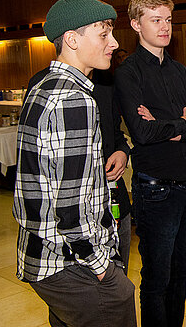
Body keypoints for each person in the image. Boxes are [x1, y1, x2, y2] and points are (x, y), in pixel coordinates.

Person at [13, 0, 136, 327]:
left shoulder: (44, 84)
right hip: (71, 264)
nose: (114, 42)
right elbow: (70, 206)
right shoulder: (73, 99)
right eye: (103, 33)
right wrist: (101, 267)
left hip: (47, 259)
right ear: (72, 39)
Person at [115, 0, 186, 327]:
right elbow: (141, 134)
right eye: (155, 20)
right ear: (135, 24)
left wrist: (171, 129)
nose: (164, 27)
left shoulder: (181, 72)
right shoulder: (128, 73)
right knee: (157, 280)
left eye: (168, 20)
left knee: (180, 276)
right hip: (155, 188)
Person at [27, 66, 132, 274]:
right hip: (69, 215)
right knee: (77, 297)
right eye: (103, 35)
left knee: (118, 282)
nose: (112, 44)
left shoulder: (105, 81)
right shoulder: (44, 85)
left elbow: (115, 131)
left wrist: (122, 152)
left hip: (113, 200)